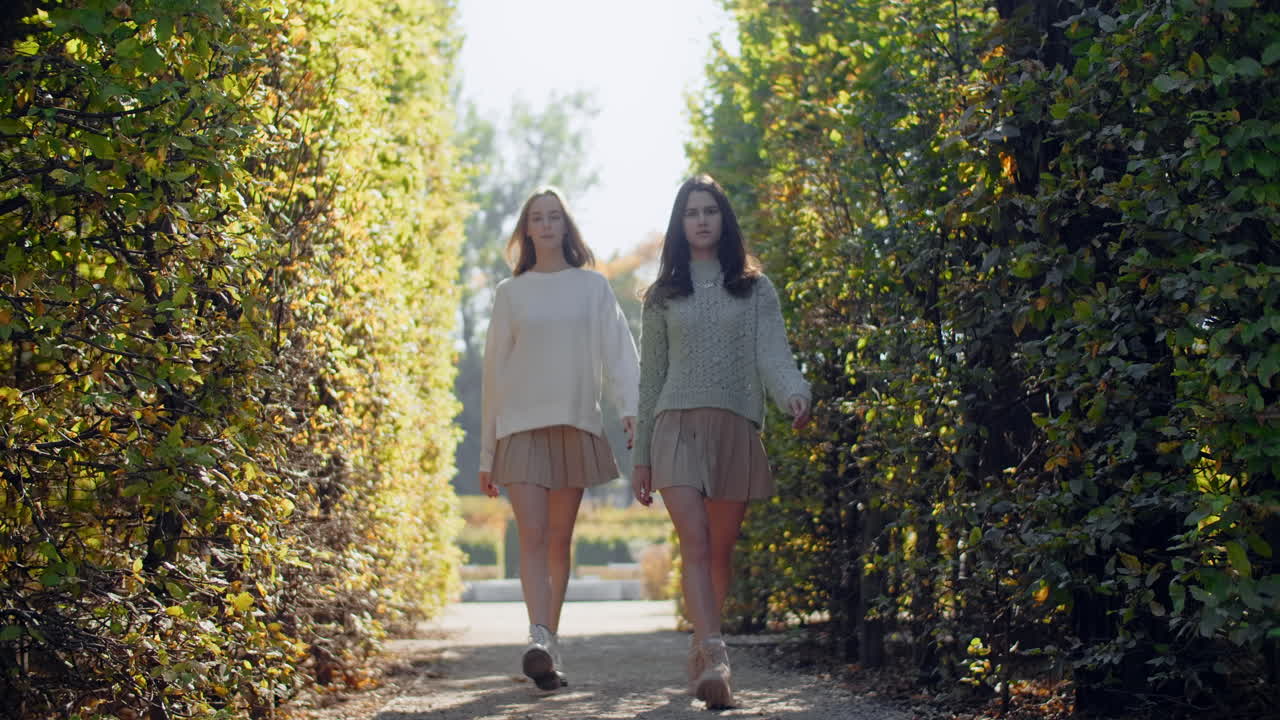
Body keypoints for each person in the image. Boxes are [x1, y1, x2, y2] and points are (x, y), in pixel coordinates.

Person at [632, 174, 811, 709]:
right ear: (680, 223)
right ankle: (716, 655)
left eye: (710, 210)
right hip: (675, 425)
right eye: (692, 212)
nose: (702, 219)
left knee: (720, 549)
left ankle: (701, 648)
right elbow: (650, 379)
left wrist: (795, 395)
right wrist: (640, 458)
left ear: (723, 220)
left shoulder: (755, 287)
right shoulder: (662, 295)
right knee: (696, 542)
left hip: (735, 425)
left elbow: (773, 355)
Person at [479, 187, 639, 691]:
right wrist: (487, 452)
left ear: (566, 227)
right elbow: (493, 377)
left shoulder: (592, 288)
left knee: (558, 540)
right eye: (537, 218)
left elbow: (619, 350)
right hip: (519, 428)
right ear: (526, 229)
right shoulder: (511, 293)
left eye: (554, 217)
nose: (546, 225)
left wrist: (632, 409)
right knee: (532, 535)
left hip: (575, 423)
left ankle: (550, 641)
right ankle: (538, 636)